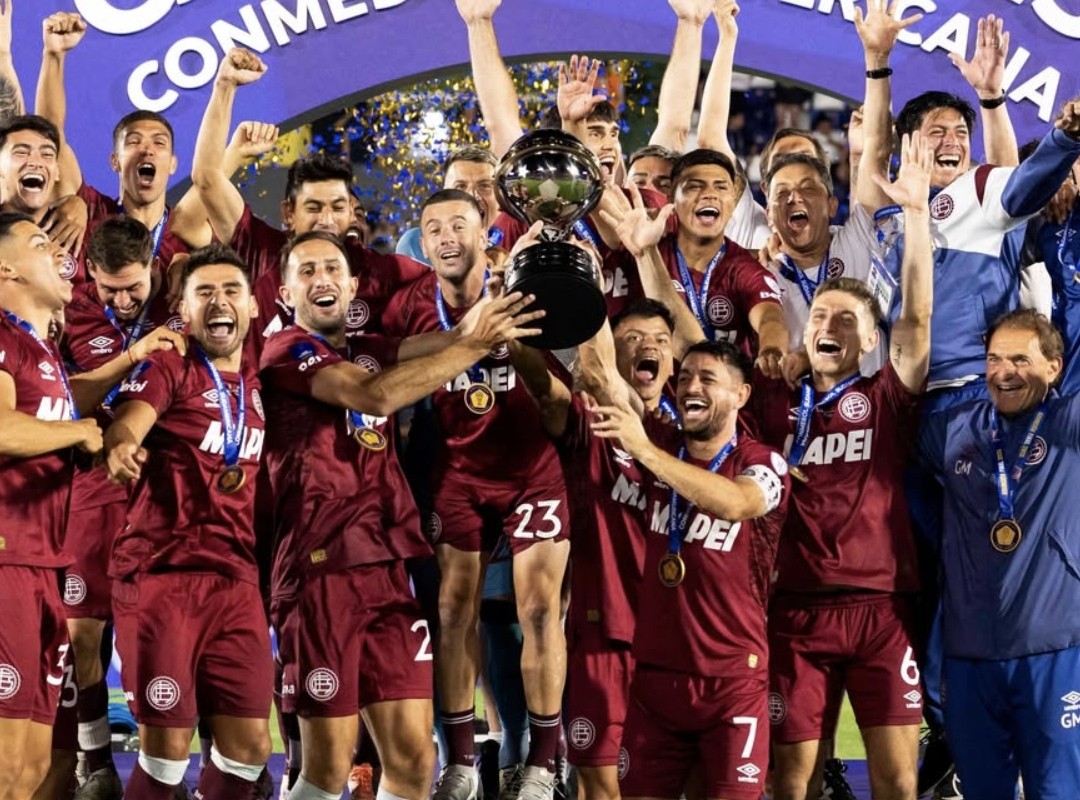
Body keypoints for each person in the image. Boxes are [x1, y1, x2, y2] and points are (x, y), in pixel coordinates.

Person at [259, 229, 542, 800]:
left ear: (353, 284)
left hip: (389, 572)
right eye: (307, 271)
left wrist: (509, 282)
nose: (322, 280)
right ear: (285, 293)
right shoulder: (286, 349)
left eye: (332, 269)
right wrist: (471, 347)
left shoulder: (368, 346)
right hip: (321, 574)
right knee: (327, 767)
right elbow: (376, 397)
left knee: (415, 759)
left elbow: (455, 337)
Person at [749, 130, 935, 800]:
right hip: (793, 611)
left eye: (849, 319)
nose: (832, 325)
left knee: (895, 779)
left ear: (868, 337)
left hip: (880, 612)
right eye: (821, 314)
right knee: (791, 778)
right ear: (804, 330)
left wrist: (915, 217)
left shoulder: (884, 398)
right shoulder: (770, 406)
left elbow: (914, 323)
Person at [383, 190, 571, 798]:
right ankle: (461, 761)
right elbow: (383, 368)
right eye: (432, 227)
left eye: (457, 224)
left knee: (539, 610)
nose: (444, 237)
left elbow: (556, 403)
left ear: (484, 232)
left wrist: (509, 338)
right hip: (457, 471)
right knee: (453, 610)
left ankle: (544, 760)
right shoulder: (411, 305)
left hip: (530, 469)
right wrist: (463, 340)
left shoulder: (525, 289)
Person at [585, 336, 790, 800]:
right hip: (656, 680)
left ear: (741, 395)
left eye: (708, 379)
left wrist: (647, 454)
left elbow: (737, 503)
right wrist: (585, 280)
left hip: (732, 683)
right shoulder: (662, 441)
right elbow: (602, 379)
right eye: (685, 378)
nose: (691, 386)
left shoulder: (763, 461)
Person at [104, 244, 272, 800]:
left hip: (237, 581)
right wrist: (124, 444)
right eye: (204, 292)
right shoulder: (170, 363)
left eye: (230, 291)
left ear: (251, 306)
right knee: (166, 756)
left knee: (249, 753)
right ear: (184, 306)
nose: (218, 301)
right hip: (162, 575)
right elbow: (129, 422)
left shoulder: (261, 376)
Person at [918, 309, 1080, 800]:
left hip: (1054, 651)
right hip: (969, 658)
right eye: (993, 359)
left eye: (1019, 359)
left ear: (1054, 368)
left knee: (1058, 792)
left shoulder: (1069, 423)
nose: (1003, 372)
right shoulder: (953, 429)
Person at [59, 216, 187, 800]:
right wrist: (132, 353)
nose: (123, 298)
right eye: (110, 288)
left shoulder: (180, 299)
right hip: (91, 487)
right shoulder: (69, 310)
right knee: (84, 629)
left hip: (166, 489)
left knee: (170, 632)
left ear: (153, 269)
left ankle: (195, 756)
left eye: (133, 286)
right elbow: (65, 398)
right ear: (91, 273)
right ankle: (95, 759)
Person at [191, 48, 427, 354]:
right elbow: (207, 178)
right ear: (288, 213)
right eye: (313, 208)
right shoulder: (261, 250)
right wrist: (224, 87)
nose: (327, 220)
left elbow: (454, 280)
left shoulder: (383, 271)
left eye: (338, 208)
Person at [0, 211, 102, 800]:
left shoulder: (45, 353)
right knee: (8, 768)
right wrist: (79, 433)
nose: (58, 252)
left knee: (37, 770)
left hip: (44, 566)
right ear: (6, 267)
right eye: (40, 243)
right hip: (8, 562)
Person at [36, 12, 215, 286]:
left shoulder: (186, 235)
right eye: (133, 142)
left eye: (159, 142)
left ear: (173, 164)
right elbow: (50, 136)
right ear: (115, 161)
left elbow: (210, 177)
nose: (147, 150)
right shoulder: (90, 210)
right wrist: (54, 56)